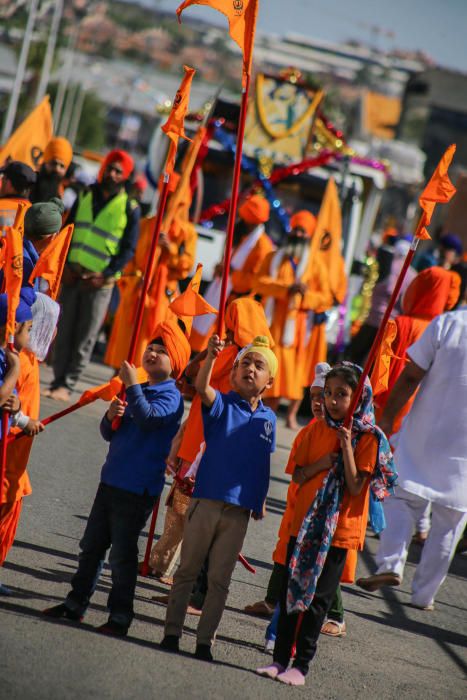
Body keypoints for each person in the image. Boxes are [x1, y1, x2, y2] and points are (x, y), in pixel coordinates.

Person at [43, 320, 190, 635]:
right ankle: (75, 603)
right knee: (91, 547)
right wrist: (110, 417)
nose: (151, 352)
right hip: (110, 481)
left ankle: (120, 617)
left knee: (122, 557)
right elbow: (109, 434)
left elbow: (149, 420)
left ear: (175, 363)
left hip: (137, 489)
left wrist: (133, 386)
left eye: (161, 351)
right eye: (151, 347)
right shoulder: (139, 388)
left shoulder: (171, 397)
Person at [257, 364, 395, 685]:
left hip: (338, 533)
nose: (332, 401)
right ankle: (279, 660)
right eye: (328, 393)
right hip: (304, 527)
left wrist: (347, 446)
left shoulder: (368, 438)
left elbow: (356, 485)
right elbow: (299, 474)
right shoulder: (314, 430)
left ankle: (300, 666)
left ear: (358, 397)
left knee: (318, 601)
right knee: (292, 594)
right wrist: (321, 463)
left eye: (342, 395)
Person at [160, 334, 277, 661]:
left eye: (259, 366)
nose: (250, 370)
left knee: (220, 580)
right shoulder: (222, 403)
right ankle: (172, 632)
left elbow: (263, 461)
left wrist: (261, 498)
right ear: (233, 372)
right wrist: (212, 357)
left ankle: (204, 642)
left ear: (270, 382)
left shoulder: (269, 419)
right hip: (207, 500)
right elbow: (201, 387)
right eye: (244, 364)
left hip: (239, 511)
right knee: (187, 571)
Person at [147, 297, 274, 583]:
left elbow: (192, 377)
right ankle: (164, 563)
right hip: (198, 435)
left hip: (206, 441)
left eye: (232, 319)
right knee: (183, 505)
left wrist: (213, 353)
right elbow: (190, 376)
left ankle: (172, 568)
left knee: (186, 508)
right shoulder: (242, 357)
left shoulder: (237, 357)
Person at [357, 308, 467, 610]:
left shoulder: (448, 323)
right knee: (451, 519)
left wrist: (389, 417)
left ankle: (390, 565)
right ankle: (424, 596)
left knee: (401, 497)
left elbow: (410, 376)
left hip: (425, 431)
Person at [47, 149, 140, 400]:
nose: (111, 173)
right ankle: (57, 380)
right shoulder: (85, 194)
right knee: (64, 330)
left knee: (85, 336)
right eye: (109, 168)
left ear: (126, 176)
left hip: (100, 283)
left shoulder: (130, 208)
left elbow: (128, 249)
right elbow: (69, 229)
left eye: (118, 171)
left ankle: (68, 383)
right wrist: (64, 266)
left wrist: (108, 274)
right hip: (73, 275)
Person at [0, 293, 59, 595]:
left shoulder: (29, 358)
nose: (53, 332)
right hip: (7, 452)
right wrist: (25, 421)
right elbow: (9, 404)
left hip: (17, 455)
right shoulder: (18, 360)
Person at [255, 210, 331, 429]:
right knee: (272, 367)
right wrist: (286, 288)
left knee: (297, 373)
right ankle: (267, 411)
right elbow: (259, 282)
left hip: (298, 327)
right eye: (295, 229)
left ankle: (291, 416)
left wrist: (304, 295)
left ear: (309, 236)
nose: (298, 234)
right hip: (273, 324)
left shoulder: (316, 264)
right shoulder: (274, 257)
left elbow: (325, 298)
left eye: (302, 231)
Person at [190, 194, 274, 352]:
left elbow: (254, 281)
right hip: (221, 296)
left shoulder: (263, 246)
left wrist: (231, 273)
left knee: (219, 348)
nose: (243, 222)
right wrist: (221, 269)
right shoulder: (241, 236)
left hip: (237, 305)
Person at [0, 289, 36, 595]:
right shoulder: (10, 360)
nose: (31, 336)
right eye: (28, 329)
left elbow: (11, 409)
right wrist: (13, 368)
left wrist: (25, 421)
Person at [349, 239, 417, 365]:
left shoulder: (386, 265)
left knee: (354, 358)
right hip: (391, 325)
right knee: (373, 365)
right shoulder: (413, 275)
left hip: (372, 318)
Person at [31, 137, 73, 203]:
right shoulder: (29, 185)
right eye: (54, 163)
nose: (57, 169)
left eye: (62, 166)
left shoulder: (65, 195)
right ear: (45, 162)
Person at [0, 161, 35, 229]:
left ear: (9, 184)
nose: (1, 180)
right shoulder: (33, 211)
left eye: (3, 178)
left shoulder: (1, 206)